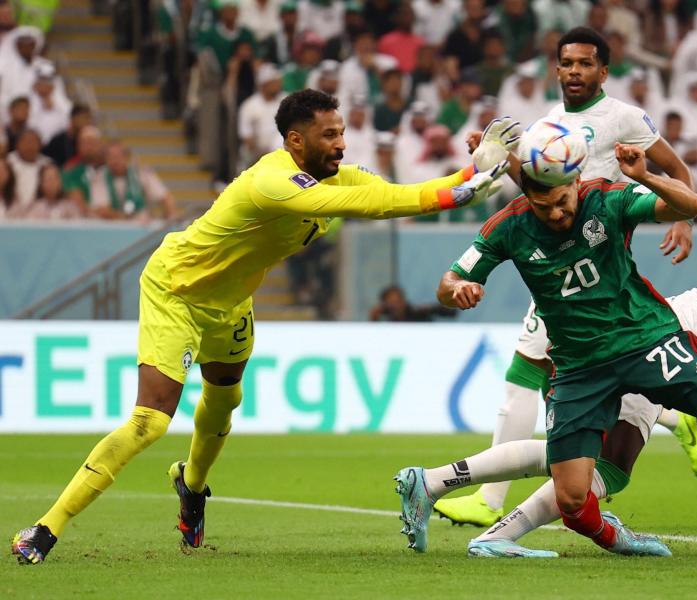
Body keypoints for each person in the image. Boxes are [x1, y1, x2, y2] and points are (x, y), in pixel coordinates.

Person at [10, 89, 508, 565]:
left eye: (341, 132)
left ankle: (192, 486)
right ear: (295, 140)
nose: (341, 142)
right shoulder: (270, 181)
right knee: (152, 421)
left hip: (229, 304)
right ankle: (47, 527)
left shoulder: (337, 175)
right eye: (329, 135)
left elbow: (399, 191)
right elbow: (369, 206)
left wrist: (474, 167)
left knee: (226, 399)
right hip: (176, 290)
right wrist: (457, 194)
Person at [395, 139, 697, 558]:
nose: (558, 212)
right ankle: (480, 510)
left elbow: (691, 207)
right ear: (527, 193)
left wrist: (648, 174)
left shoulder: (607, 198)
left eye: (564, 199)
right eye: (544, 204)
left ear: (575, 182)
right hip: (581, 365)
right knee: (580, 490)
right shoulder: (506, 224)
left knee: (681, 440)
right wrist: (455, 290)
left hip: (647, 339)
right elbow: (450, 277)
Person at [431, 27, 697, 529]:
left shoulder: (622, 117)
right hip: (558, 255)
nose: (574, 71)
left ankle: (492, 499)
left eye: (585, 63)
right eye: (567, 62)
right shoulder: (549, 124)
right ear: (555, 69)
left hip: (591, 259)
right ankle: (663, 411)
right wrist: (501, 158)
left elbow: (676, 170)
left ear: (603, 70)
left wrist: (680, 217)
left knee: (524, 375)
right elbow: (540, 188)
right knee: (550, 374)